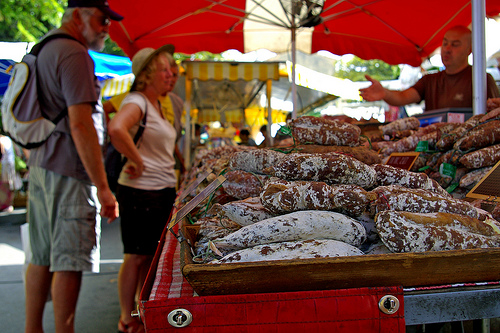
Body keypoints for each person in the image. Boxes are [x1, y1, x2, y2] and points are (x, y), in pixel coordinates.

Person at [24, 1, 122, 332]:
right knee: (68, 260)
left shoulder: (43, 48)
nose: (106, 27)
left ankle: (32, 328)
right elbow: (81, 126)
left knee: (40, 255)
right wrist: (104, 188)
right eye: (101, 19)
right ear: (78, 15)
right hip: (68, 170)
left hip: (40, 166)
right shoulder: (74, 54)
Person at [107, 45, 178, 333]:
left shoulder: (159, 104)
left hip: (161, 190)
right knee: (135, 255)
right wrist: (135, 159)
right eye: (164, 69)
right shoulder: (137, 100)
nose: (171, 74)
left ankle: (140, 307)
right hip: (140, 191)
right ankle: (126, 317)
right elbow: (116, 128)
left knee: (149, 254)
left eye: (172, 69)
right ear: (147, 75)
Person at [359, 25, 500, 112]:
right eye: (445, 44)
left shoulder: (481, 79)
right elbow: (403, 97)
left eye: (455, 44)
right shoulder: (430, 80)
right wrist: (384, 93)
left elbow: (493, 114)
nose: (447, 49)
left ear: (470, 49)